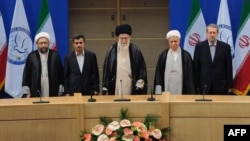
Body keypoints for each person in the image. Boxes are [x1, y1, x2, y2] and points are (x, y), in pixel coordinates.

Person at [103, 24, 147, 95]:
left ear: (130, 37)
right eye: (121, 38)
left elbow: (142, 69)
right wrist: (106, 86)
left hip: (130, 83)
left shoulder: (135, 50)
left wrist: (139, 83)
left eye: (126, 38)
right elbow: (106, 70)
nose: (124, 41)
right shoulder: (111, 50)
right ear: (117, 38)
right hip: (116, 82)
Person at [193, 23, 233, 94]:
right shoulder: (199, 47)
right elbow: (196, 67)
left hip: (221, 86)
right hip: (204, 86)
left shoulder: (225, 47)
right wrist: (196, 85)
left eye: (214, 33)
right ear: (206, 33)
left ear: (217, 33)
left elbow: (229, 68)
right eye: (210, 33)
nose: (212, 35)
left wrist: (229, 86)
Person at [22, 32, 64, 98]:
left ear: (48, 43)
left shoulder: (55, 55)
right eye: (41, 43)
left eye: (45, 43)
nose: (43, 45)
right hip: (35, 90)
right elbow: (26, 75)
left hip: (53, 89)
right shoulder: (31, 56)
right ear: (37, 44)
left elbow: (61, 74)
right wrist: (27, 92)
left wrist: (61, 91)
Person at [154, 30, 195, 94]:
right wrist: (158, 93)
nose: (173, 43)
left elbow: (190, 77)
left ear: (179, 41)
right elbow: (159, 75)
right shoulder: (163, 55)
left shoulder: (186, 56)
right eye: (171, 42)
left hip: (182, 89)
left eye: (175, 41)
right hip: (167, 88)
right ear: (168, 42)